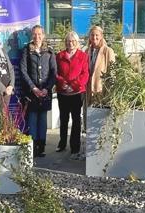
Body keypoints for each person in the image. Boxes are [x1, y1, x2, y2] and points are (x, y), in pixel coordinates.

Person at [20, 25, 57, 157]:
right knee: (32, 119)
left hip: (45, 93)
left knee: (42, 120)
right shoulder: (26, 51)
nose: (37, 36)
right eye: (34, 34)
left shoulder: (50, 51)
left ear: (43, 35)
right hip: (31, 93)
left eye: (39, 34)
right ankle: (32, 147)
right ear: (32, 35)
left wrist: (47, 89)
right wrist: (33, 88)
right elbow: (23, 71)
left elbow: (54, 73)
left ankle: (41, 147)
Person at [55, 31, 89, 160]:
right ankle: (62, 143)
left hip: (76, 93)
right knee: (63, 119)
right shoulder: (59, 56)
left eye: (73, 41)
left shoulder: (83, 56)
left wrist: (73, 85)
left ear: (77, 42)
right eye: (68, 41)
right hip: (62, 92)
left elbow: (85, 74)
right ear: (65, 42)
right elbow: (56, 72)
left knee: (76, 120)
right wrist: (62, 83)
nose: (71, 43)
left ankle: (75, 147)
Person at [84, 26, 115, 130]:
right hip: (88, 89)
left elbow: (112, 71)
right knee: (88, 117)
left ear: (101, 36)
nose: (94, 37)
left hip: (101, 89)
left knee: (99, 118)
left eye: (97, 35)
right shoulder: (86, 51)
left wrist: (110, 89)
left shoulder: (107, 51)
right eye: (92, 35)